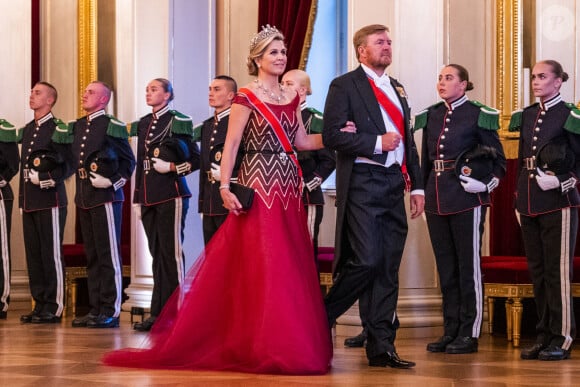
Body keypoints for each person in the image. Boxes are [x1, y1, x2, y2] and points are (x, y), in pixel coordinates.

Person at [103, 25, 339, 375]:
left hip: (289, 185)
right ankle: (257, 342)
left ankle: (289, 341)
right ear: (257, 59)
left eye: (283, 51)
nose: (281, 57)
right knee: (263, 263)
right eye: (273, 52)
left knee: (290, 263)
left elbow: (302, 142)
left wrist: (340, 135)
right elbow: (231, 145)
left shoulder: (291, 98)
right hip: (257, 184)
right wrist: (225, 187)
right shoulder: (246, 95)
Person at [322, 24, 424, 369]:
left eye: (389, 42)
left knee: (386, 268)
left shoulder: (397, 88)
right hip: (363, 182)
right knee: (365, 260)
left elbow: (408, 141)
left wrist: (418, 186)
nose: (387, 46)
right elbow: (332, 136)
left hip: (394, 183)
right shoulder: (344, 85)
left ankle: (382, 347)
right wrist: (376, 142)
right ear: (361, 51)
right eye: (379, 42)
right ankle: (321, 315)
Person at [414, 64, 506, 354]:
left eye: (449, 78)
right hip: (437, 197)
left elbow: (498, 161)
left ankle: (470, 331)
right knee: (446, 268)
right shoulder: (432, 115)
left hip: (468, 197)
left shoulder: (479, 114)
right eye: (440, 77)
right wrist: (422, 191)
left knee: (468, 267)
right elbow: (425, 161)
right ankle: (450, 329)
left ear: (464, 85)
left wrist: (487, 185)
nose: (442, 82)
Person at [512, 60, 580, 361]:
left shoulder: (570, 115)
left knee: (557, 272)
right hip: (530, 201)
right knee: (537, 272)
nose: (536, 82)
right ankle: (542, 335)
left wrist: (563, 181)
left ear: (558, 82)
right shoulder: (527, 115)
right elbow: (522, 158)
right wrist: (518, 198)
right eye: (534, 77)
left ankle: (562, 337)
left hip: (558, 202)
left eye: (542, 77)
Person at [131, 78, 200, 331]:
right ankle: (158, 313)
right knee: (157, 256)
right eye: (147, 89)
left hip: (171, 193)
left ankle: (178, 312)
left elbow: (196, 158)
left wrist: (172, 167)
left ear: (168, 95)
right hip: (149, 195)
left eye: (154, 89)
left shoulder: (178, 120)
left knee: (171, 256)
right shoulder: (143, 124)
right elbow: (140, 164)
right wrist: (138, 197)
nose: (148, 92)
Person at [70, 81, 135, 329]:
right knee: (93, 255)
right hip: (85, 195)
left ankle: (110, 308)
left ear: (104, 100)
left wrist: (112, 182)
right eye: (85, 91)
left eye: (91, 92)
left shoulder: (112, 126)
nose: (84, 95)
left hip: (106, 197)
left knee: (108, 254)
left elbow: (129, 161)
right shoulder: (78, 126)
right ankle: (95, 308)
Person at [19, 82, 73, 324]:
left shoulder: (58, 129)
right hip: (29, 201)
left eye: (37, 93)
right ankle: (39, 303)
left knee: (50, 254)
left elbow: (69, 163)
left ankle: (54, 305)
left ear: (50, 100)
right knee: (34, 254)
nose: (32, 95)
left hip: (50, 200)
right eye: (31, 92)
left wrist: (46, 179)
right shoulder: (30, 129)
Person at [281, 69, 336, 262]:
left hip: (307, 196)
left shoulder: (315, 120)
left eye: (289, 84)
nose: (283, 87)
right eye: (282, 83)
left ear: (302, 90)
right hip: (281, 195)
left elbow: (329, 160)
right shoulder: (278, 117)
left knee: (304, 249)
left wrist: (308, 184)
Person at [193, 75, 239, 244]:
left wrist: (229, 175)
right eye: (210, 89)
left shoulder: (237, 122)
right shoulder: (208, 125)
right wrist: (203, 204)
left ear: (231, 95)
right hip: (210, 200)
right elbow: (205, 166)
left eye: (217, 89)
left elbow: (245, 157)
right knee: (211, 253)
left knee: (230, 255)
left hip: (231, 197)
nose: (211, 93)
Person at [0, 118, 19, 320]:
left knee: (1, 249)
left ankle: (1, 300)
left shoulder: (3, 129)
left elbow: (12, 164)